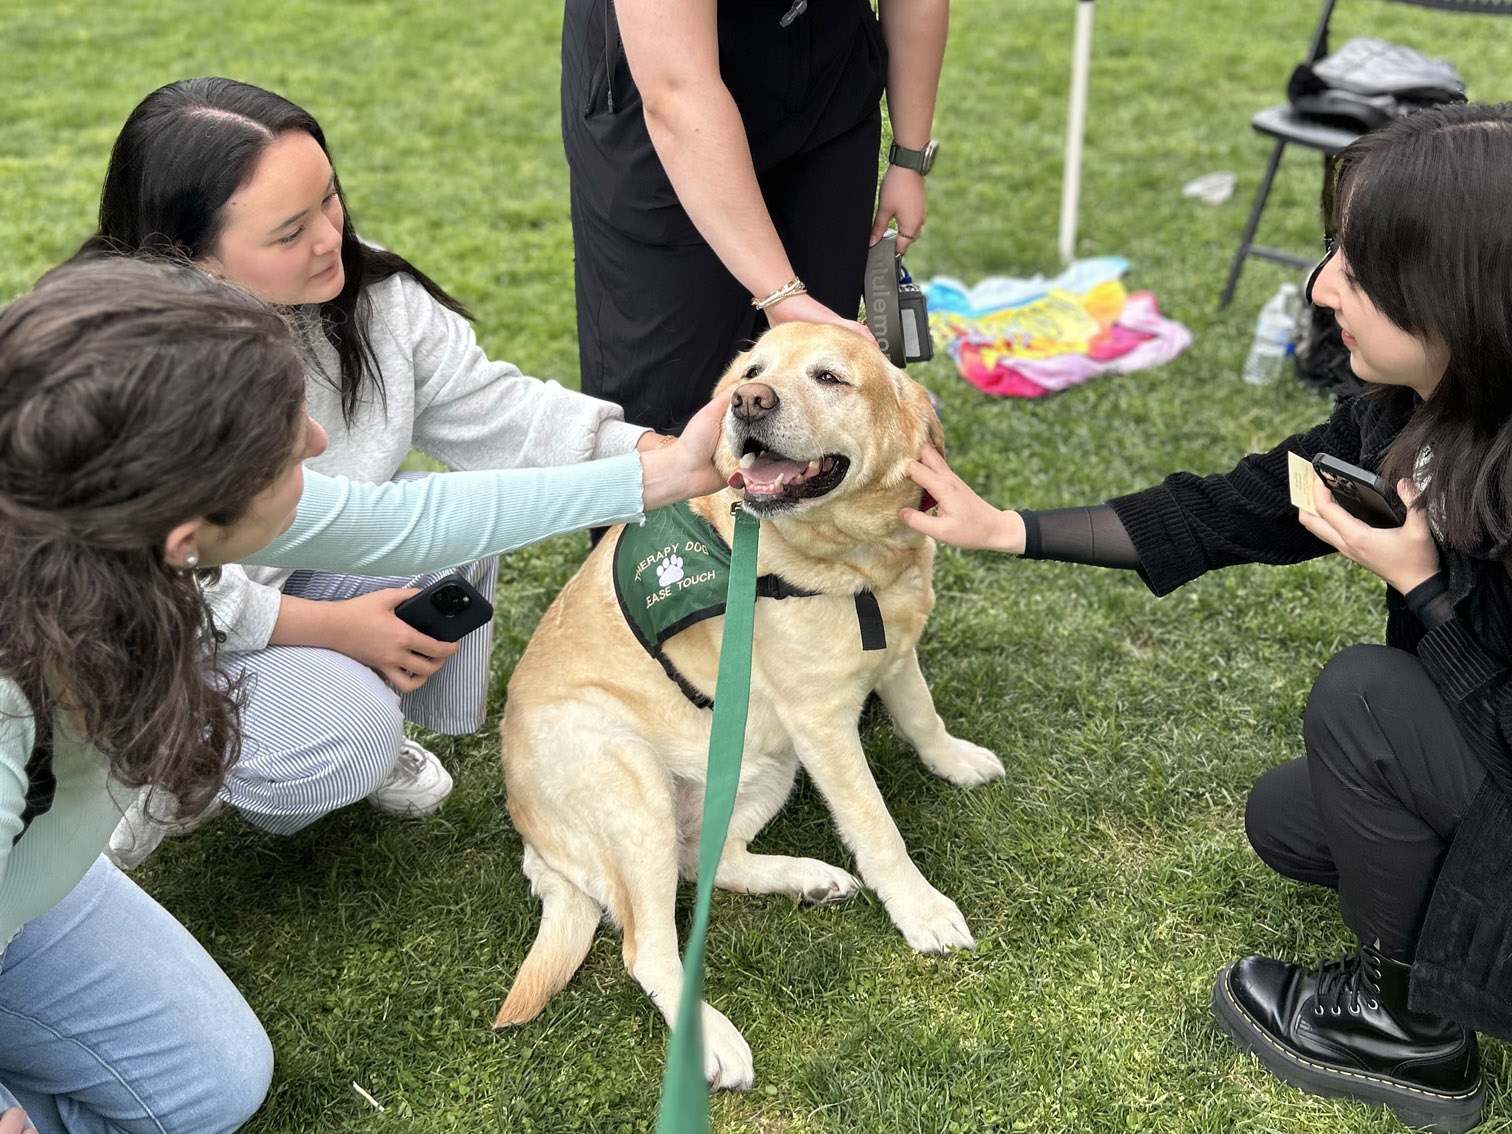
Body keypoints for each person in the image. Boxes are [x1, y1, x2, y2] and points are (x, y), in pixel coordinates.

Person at [0, 254, 725, 1132]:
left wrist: (667, 474)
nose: (314, 439)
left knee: (213, 1087)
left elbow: (406, 523)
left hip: (29, 892)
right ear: (185, 538)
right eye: (281, 439)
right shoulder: (14, 705)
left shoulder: (111, 530)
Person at [899, 102, 1512, 1134]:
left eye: (1357, 276)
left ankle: (1410, 1035)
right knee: (1293, 820)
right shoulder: (1417, 406)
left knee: (1363, 704)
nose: (1320, 289)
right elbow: (1241, 507)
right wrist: (1008, 528)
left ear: (1456, 298)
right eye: (1333, 255)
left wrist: (1426, 589)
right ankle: (1454, 932)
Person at [89, 78, 680, 856]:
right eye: (288, 231)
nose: (331, 239)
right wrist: (334, 630)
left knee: (443, 517)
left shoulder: (365, 294)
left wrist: (675, 461)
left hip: (280, 567)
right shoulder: (124, 373)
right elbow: (139, 594)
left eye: (329, 201)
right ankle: (171, 754)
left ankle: (307, 709)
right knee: (345, 738)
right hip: (153, 636)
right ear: (189, 258)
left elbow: (499, 421)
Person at [561, 0, 948, 436]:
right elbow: (677, 93)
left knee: (815, 395)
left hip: (830, 72)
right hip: (665, 85)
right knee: (671, 417)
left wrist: (910, 157)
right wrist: (780, 294)